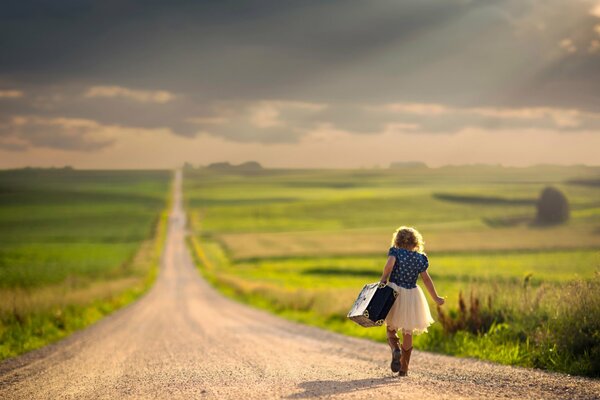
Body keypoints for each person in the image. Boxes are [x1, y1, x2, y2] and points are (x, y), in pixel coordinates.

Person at [378, 226, 445, 376]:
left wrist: (383, 280)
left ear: (397, 241)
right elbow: (426, 279)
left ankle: (395, 349)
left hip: (394, 292)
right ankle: (404, 368)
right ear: (416, 242)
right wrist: (436, 298)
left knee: (391, 326)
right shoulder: (420, 258)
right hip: (412, 294)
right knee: (408, 331)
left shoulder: (395, 252)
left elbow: (389, 265)